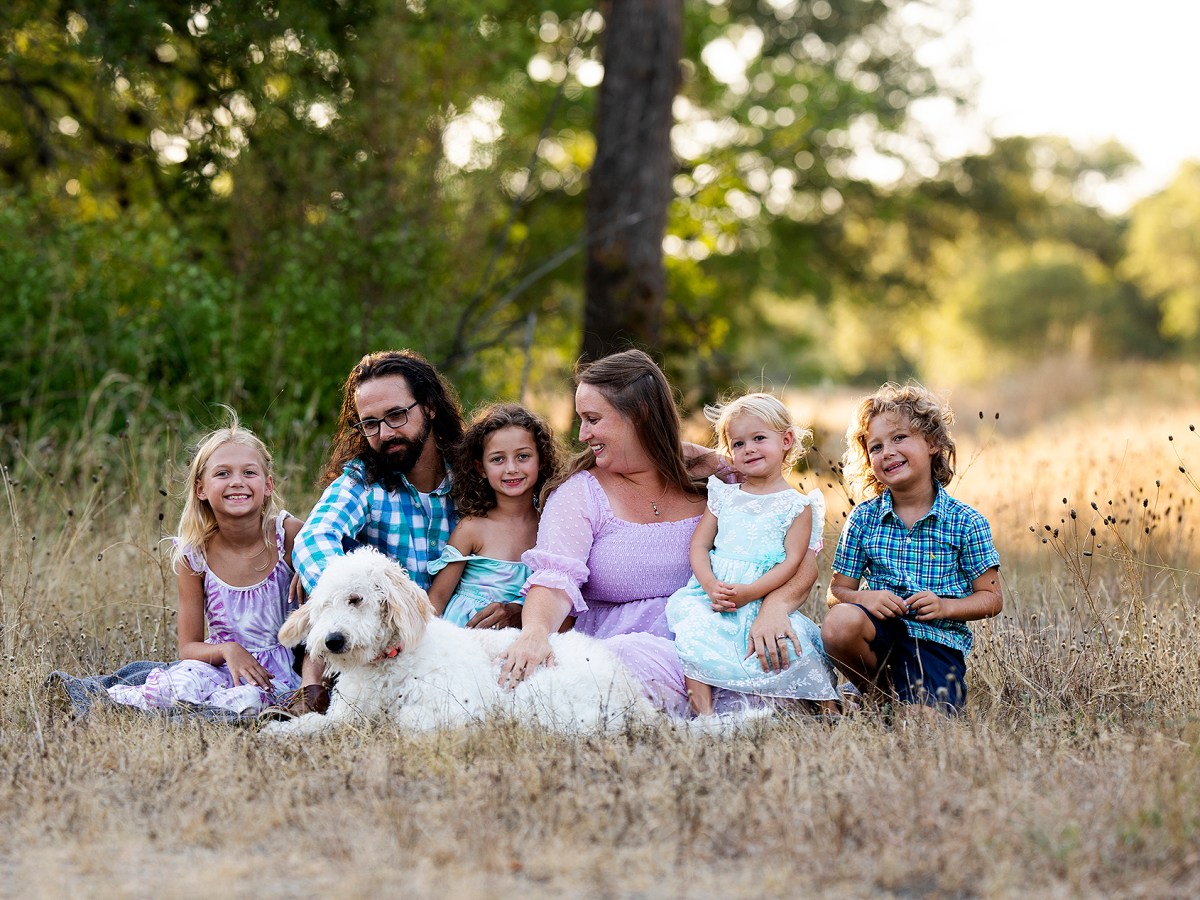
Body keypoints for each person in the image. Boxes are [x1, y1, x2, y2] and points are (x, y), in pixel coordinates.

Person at [497, 349, 824, 716]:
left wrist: (776, 609)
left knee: (781, 661)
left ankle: (732, 702)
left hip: (718, 633)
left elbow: (801, 554)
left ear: (640, 415)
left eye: (592, 419)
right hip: (625, 645)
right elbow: (555, 580)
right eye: (581, 420)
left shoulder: (712, 474)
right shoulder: (579, 493)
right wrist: (535, 632)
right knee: (627, 663)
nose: (583, 434)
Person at [282, 349, 465, 716]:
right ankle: (312, 693)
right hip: (377, 642)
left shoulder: (473, 476)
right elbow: (315, 537)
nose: (385, 433)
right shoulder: (362, 481)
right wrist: (338, 591)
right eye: (370, 423)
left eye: (396, 415)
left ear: (428, 406)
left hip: (457, 642)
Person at [822, 382, 1003, 715]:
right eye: (875, 447)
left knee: (923, 724)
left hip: (934, 644)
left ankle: (905, 704)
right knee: (838, 624)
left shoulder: (966, 522)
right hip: (878, 631)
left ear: (932, 443)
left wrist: (946, 607)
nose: (887, 451)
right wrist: (864, 597)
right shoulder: (864, 518)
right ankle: (875, 692)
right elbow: (837, 592)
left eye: (899, 438)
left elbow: (991, 599)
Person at [107, 417, 303, 715]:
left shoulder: (289, 536)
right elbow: (189, 648)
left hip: (275, 672)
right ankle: (199, 708)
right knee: (171, 689)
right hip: (219, 664)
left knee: (247, 703)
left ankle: (216, 712)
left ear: (267, 485)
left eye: (249, 472)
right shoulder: (194, 555)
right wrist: (228, 650)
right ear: (201, 489)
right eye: (222, 473)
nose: (237, 481)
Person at [666, 393, 838, 716]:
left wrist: (750, 593)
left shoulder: (798, 506)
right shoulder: (724, 496)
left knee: (795, 643)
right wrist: (709, 584)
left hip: (762, 598)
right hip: (719, 595)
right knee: (695, 636)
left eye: (759, 438)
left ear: (786, 440)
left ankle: (827, 710)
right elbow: (699, 545)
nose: (749, 449)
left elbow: (792, 562)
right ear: (730, 452)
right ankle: (704, 717)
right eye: (739, 444)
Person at [427, 403, 561, 629]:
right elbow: (437, 598)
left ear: (541, 460)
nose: (511, 468)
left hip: (519, 643)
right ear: (481, 468)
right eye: (498, 459)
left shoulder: (549, 528)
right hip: (464, 637)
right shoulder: (472, 528)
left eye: (523, 456)